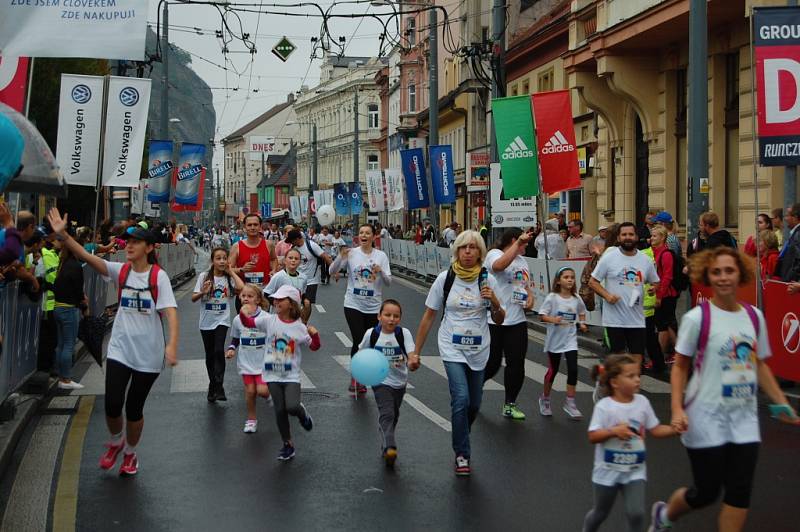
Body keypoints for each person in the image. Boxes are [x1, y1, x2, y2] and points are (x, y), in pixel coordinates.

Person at [648, 247, 800, 532]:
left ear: (740, 273)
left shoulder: (754, 317)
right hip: (705, 416)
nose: (723, 277)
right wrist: (678, 408)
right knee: (705, 493)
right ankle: (665, 515)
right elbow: (680, 366)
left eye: (729, 271)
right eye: (716, 272)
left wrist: (781, 403)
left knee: (739, 492)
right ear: (707, 275)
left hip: (744, 419)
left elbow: (761, 365)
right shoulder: (698, 318)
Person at [46, 208, 178, 477]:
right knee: (112, 403)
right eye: (127, 241)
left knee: (134, 408)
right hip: (120, 349)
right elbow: (84, 255)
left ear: (150, 247)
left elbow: (170, 312)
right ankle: (117, 440)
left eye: (135, 242)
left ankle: (130, 452)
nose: (128, 246)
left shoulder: (158, 277)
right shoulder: (120, 271)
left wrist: (172, 344)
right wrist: (63, 235)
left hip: (148, 355)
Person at [415, 230, 505, 476]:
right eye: (463, 247)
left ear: (480, 252)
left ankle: (461, 430)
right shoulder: (446, 278)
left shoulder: (488, 281)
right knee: (461, 398)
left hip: (479, 348)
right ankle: (462, 454)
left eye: (473, 248)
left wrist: (495, 302)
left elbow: (499, 319)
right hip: (451, 345)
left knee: (474, 404)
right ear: (456, 251)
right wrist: (416, 351)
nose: (467, 252)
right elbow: (429, 315)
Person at [583, 355, 676, 532]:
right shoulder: (605, 407)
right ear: (615, 382)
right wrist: (614, 431)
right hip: (607, 471)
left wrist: (675, 429)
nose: (637, 380)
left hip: (635, 471)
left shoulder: (642, 403)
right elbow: (593, 436)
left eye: (638, 375)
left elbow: (655, 429)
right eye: (631, 376)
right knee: (600, 513)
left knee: (636, 513)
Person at [238, 285, 320, 461]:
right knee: (280, 410)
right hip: (272, 374)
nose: (276, 302)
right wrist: (244, 313)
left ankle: (302, 414)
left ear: (291, 304)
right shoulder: (270, 321)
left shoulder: (299, 327)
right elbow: (249, 323)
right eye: (275, 299)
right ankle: (287, 444)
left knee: (291, 406)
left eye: (280, 299)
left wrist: (315, 335)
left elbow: (314, 346)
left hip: (291, 376)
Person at [329, 223, 392, 394]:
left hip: (373, 306)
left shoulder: (381, 256)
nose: (364, 235)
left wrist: (381, 272)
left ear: (374, 236)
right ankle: (356, 377)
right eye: (361, 232)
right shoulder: (351, 254)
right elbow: (331, 270)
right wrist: (340, 258)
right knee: (359, 339)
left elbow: (388, 282)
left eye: (367, 233)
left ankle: (363, 374)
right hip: (353, 304)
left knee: (369, 342)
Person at [588, 222, 660, 367]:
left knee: (636, 361)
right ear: (619, 238)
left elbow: (655, 281)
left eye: (631, 234)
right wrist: (607, 296)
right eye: (624, 235)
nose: (628, 237)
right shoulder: (609, 258)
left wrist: (653, 289)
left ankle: (632, 388)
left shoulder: (645, 260)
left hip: (637, 320)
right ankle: (615, 387)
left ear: (636, 237)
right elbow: (593, 282)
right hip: (615, 320)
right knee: (618, 362)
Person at [357, 299, 417, 468]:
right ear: (379, 316)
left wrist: (413, 361)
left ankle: (386, 441)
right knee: (387, 412)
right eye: (387, 315)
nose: (391, 319)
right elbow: (362, 353)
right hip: (380, 380)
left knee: (394, 414)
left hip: (400, 381)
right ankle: (390, 446)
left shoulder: (403, 334)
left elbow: (411, 353)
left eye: (396, 316)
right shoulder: (372, 334)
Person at [482, 228, 535, 420]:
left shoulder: (523, 261)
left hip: (517, 320)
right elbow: (499, 267)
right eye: (524, 242)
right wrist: (518, 244)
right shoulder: (494, 254)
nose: (526, 246)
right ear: (514, 240)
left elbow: (525, 286)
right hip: (495, 320)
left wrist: (530, 299)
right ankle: (475, 387)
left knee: (516, 364)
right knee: (492, 364)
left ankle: (510, 403)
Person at [192, 247, 244, 402]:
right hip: (206, 322)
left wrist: (231, 272)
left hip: (222, 320)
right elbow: (194, 298)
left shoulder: (228, 278)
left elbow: (242, 288)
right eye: (218, 258)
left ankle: (219, 385)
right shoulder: (203, 276)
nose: (221, 261)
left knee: (218, 350)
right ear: (212, 261)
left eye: (224, 258)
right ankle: (212, 385)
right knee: (209, 355)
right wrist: (203, 291)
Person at [538, 267, 588, 419]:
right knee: (553, 371)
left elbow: (582, 312)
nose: (570, 280)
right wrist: (553, 320)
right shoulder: (552, 298)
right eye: (566, 277)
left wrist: (582, 323)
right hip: (555, 341)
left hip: (570, 340)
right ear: (558, 281)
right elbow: (542, 315)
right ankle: (545, 399)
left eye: (572, 277)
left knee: (573, 369)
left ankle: (570, 402)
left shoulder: (576, 298)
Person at [226, 284, 273, 433]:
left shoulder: (266, 318)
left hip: (263, 363)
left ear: (258, 300)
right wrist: (231, 349)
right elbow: (235, 338)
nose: (246, 299)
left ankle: (275, 398)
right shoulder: (237, 320)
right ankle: (251, 419)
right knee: (250, 391)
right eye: (243, 296)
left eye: (250, 296)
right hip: (245, 363)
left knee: (262, 390)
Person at [52, 234, 87, 390]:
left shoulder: (63, 263)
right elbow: (78, 289)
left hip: (57, 307)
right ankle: (65, 379)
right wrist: (83, 303)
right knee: (68, 344)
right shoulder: (75, 266)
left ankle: (60, 375)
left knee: (60, 344)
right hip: (68, 308)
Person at [229, 214, 276, 311]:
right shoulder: (237, 246)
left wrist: (274, 270)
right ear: (244, 227)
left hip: (263, 292)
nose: (253, 227)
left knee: (263, 324)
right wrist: (242, 269)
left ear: (260, 226)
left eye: (255, 225)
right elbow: (228, 269)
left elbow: (273, 259)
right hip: (245, 294)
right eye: (249, 225)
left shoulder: (268, 244)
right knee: (245, 325)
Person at [285, 228, 331, 321]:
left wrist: (334, 270)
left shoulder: (311, 245)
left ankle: (304, 322)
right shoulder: (293, 248)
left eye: (292, 241)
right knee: (294, 304)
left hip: (311, 280)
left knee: (307, 303)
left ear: (297, 239)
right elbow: (287, 262)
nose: (291, 243)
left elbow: (325, 256)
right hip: (297, 280)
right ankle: (296, 321)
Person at [651, 226, 678, 361]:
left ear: (662, 238)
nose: (651, 238)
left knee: (664, 325)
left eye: (655, 236)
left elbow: (667, 277)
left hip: (667, 295)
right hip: (661, 293)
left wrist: (659, 296)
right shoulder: (655, 252)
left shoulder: (666, 254)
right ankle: (675, 353)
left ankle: (661, 357)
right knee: (666, 324)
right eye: (652, 235)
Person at [264, 248, 310, 321]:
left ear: (300, 262)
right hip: (279, 316)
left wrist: (305, 301)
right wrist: (279, 305)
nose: (293, 260)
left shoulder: (303, 278)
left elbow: (302, 293)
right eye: (290, 258)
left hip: (295, 316)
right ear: (285, 260)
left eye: (296, 258)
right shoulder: (278, 276)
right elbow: (266, 294)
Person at [776, 202, 800, 282]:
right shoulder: (795, 233)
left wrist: (789, 279)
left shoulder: (798, 234)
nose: (785, 219)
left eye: (787, 215)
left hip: (792, 284)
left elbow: (798, 261)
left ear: (795, 217)